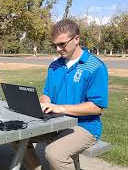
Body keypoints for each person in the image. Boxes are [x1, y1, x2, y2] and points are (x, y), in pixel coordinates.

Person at [21, 19, 108, 170]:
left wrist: (61, 108)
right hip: (54, 123)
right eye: (54, 45)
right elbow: (47, 94)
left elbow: (97, 107)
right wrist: (43, 103)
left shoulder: (95, 66)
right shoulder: (54, 66)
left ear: (76, 39)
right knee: (16, 136)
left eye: (62, 44)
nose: (58, 49)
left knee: (54, 154)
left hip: (85, 126)